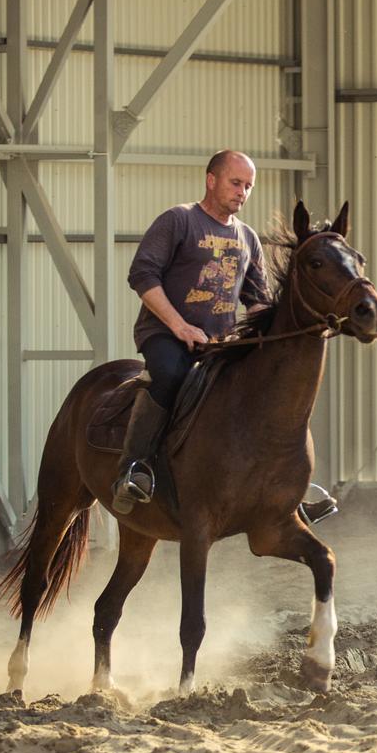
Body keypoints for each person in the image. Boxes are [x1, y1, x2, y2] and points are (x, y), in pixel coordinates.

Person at [111, 150, 270, 514]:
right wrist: (179, 325)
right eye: (236, 182)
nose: (242, 192)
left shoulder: (248, 238)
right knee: (169, 375)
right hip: (166, 334)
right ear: (211, 179)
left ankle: (278, 484)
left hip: (219, 344)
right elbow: (142, 275)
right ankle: (134, 468)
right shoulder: (179, 220)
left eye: (249, 186)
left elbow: (258, 301)